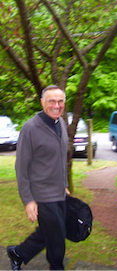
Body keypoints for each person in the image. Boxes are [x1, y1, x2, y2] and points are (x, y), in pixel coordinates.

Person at [7, 85, 70, 271]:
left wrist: (64, 184)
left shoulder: (61, 124)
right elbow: (21, 167)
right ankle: (56, 267)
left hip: (59, 192)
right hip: (42, 194)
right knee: (57, 238)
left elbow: (60, 159)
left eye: (60, 101)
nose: (56, 105)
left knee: (49, 232)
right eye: (52, 101)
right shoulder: (30, 128)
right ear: (42, 102)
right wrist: (28, 200)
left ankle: (18, 253)